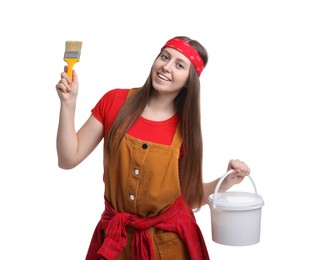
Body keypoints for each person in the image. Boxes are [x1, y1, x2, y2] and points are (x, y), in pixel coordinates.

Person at [56, 36, 250, 260]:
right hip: (116, 245)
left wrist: (226, 182)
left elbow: (190, 197)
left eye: (179, 65)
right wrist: (68, 105)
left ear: (189, 80)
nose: (166, 67)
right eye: (164, 57)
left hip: (168, 247)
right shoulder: (114, 101)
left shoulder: (186, 129)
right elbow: (68, 158)